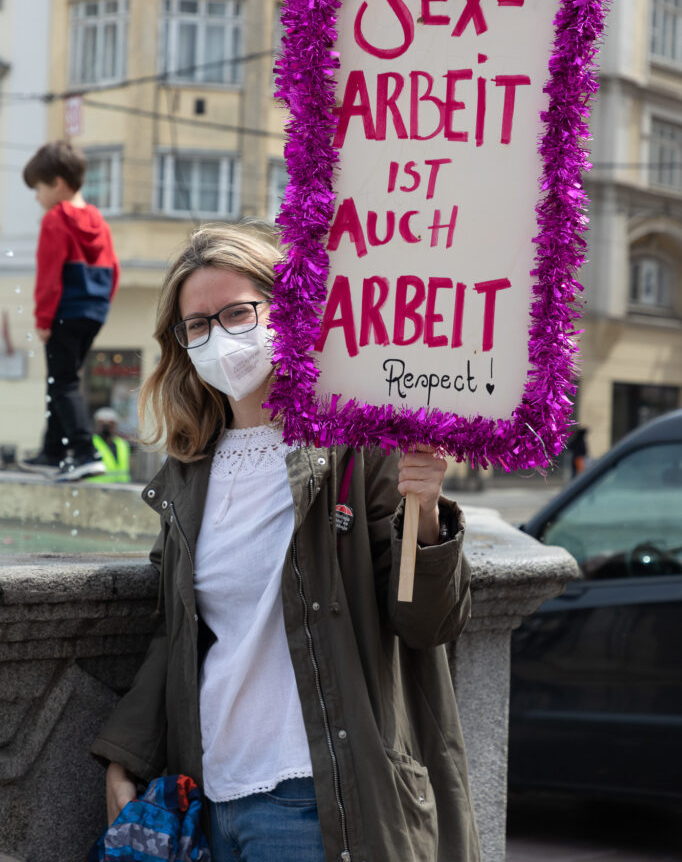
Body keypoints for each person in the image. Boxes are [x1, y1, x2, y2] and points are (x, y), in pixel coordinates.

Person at [91, 222, 481, 862]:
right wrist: (124, 755)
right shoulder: (190, 473)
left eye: (239, 312)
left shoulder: (361, 447)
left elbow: (427, 622)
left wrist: (427, 510)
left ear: (294, 308)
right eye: (197, 326)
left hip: (315, 798)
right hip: (211, 793)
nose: (219, 338)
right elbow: (177, 633)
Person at [20, 140, 119, 481]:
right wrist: (101, 307)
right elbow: (114, 270)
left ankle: (84, 451)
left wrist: (43, 320)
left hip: (64, 311)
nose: (37, 196)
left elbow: (49, 276)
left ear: (58, 184)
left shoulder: (55, 220)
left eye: (39, 188)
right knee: (60, 381)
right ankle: (52, 452)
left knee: (62, 382)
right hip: (93, 311)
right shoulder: (98, 221)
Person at [88, 406, 132, 483]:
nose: (106, 426)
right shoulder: (89, 443)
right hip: (96, 489)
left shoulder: (122, 444)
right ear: (96, 424)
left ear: (116, 425)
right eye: (102, 423)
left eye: (111, 423)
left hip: (121, 489)